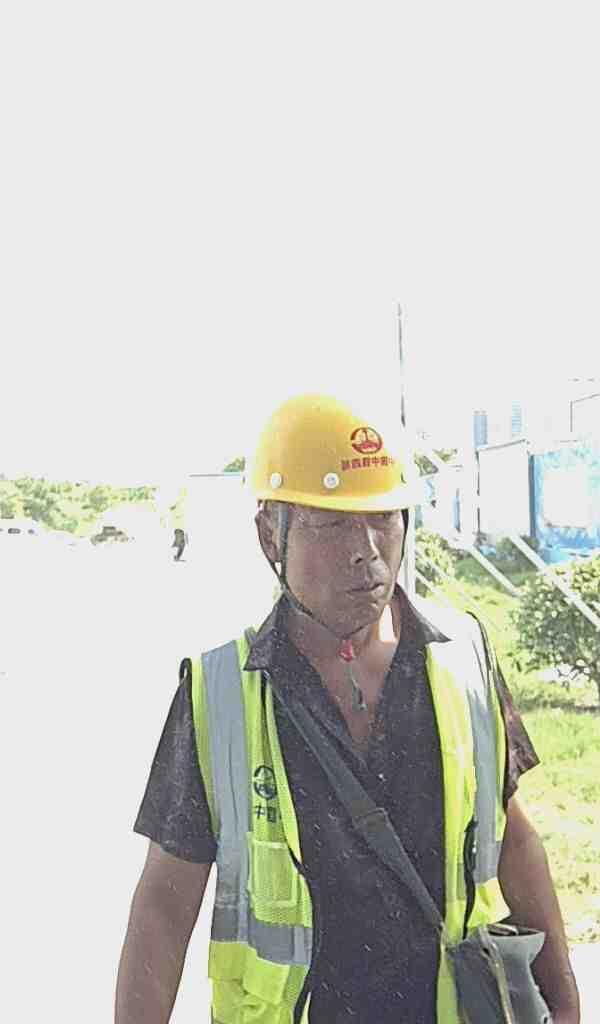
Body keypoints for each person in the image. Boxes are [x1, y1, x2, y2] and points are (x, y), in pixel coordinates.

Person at [115, 394, 580, 1024]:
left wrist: (565, 1001)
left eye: (383, 518)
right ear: (269, 534)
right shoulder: (216, 694)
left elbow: (513, 836)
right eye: (330, 524)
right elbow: (165, 904)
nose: (366, 551)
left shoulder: (465, 657)